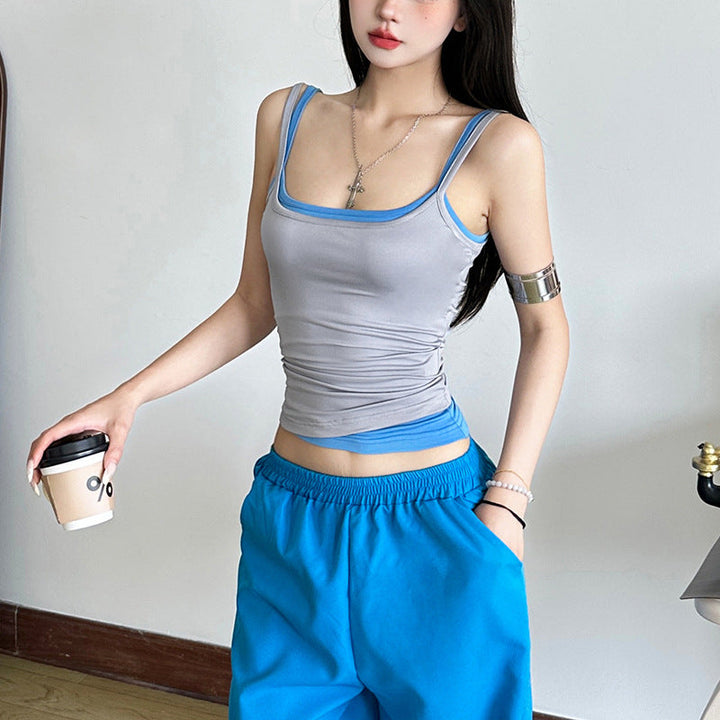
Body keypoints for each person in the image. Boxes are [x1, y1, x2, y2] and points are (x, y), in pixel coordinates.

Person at [26, 0, 570, 717]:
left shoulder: (499, 146)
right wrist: (125, 399)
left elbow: (546, 329)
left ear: (467, 14)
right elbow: (255, 304)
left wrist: (508, 502)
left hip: (435, 527)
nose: (388, 8)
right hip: (293, 518)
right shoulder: (285, 118)